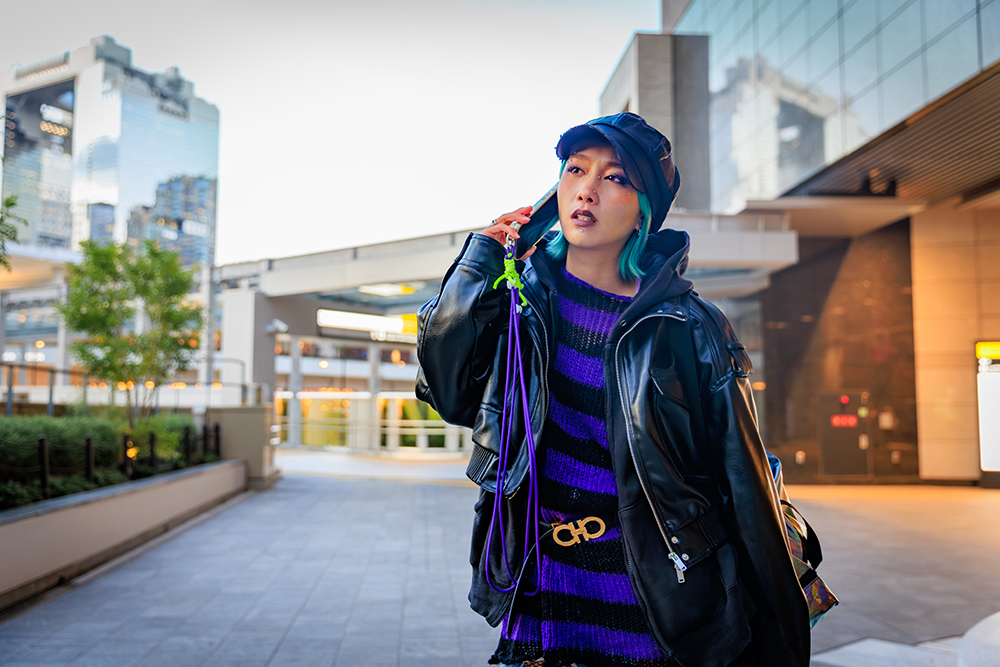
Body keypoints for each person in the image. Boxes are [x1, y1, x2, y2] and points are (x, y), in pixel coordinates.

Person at [416, 113, 810, 667]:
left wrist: (777, 633)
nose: (587, 189)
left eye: (616, 178)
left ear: (644, 210)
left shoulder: (686, 326)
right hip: (540, 584)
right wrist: (479, 260)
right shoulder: (521, 304)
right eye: (575, 170)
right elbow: (448, 391)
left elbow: (741, 480)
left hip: (651, 594)